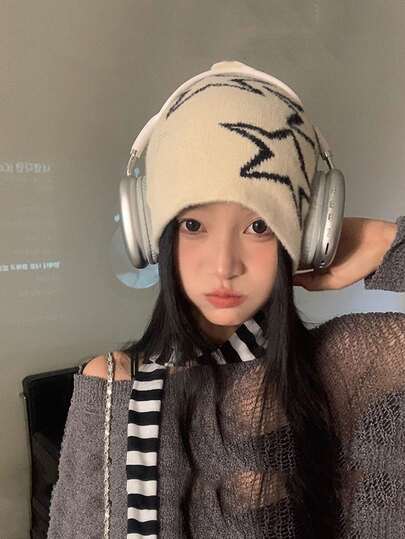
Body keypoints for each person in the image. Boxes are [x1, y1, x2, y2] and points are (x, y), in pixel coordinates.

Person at [47, 61, 405, 538]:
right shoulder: (116, 388)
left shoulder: (352, 363)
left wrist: (386, 243)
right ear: (154, 234)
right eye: (194, 225)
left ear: (305, 235)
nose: (224, 265)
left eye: (259, 226)